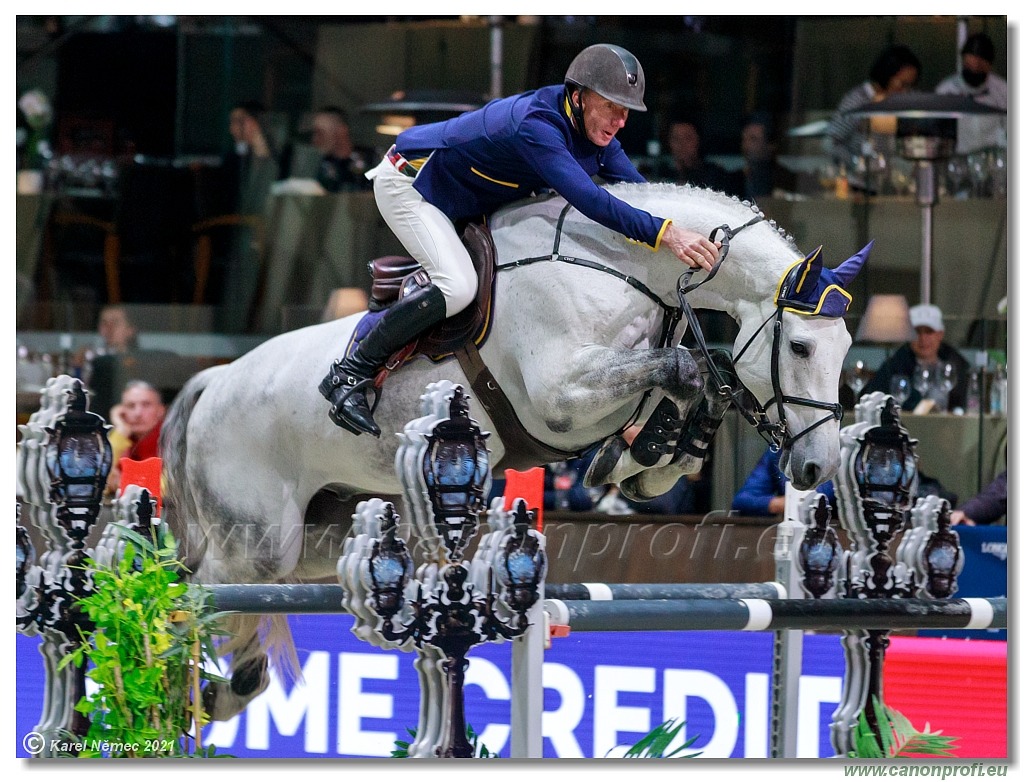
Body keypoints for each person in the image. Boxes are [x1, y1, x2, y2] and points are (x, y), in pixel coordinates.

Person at [319, 43, 722, 437]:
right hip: (413, 183)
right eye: (611, 107)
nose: (619, 121)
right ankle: (350, 371)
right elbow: (590, 200)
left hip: (469, 194)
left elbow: (641, 194)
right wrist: (667, 233)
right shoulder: (536, 125)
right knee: (458, 286)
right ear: (578, 98)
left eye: (626, 112)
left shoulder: (596, 137)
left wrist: (689, 228)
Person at [826, 44, 922, 191]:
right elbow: (831, 142)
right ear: (886, 74)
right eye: (901, 84)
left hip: (896, 184)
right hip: (861, 186)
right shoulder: (858, 101)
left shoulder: (905, 100)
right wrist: (858, 163)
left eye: (910, 86)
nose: (904, 91)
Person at [859, 303, 970, 412]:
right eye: (917, 332)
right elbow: (872, 403)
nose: (923, 338)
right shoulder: (894, 367)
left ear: (940, 334)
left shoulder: (957, 366)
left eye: (929, 331)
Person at [935, 32, 1008, 154]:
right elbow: (937, 134)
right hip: (956, 159)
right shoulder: (945, 91)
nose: (976, 65)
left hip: (992, 160)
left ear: (989, 65)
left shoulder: (1002, 90)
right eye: (971, 62)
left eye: (981, 62)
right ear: (963, 59)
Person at [731, 446, 836, 517]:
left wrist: (793, 503)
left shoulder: (840, 447)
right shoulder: (778, 450)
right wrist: (780, 504)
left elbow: (825, 498)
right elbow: (742, 500)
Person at [104, 380, 166, 496]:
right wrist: (121, 428)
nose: (138, 413)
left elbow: (167, 487)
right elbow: (97, 480)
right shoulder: (121, 437)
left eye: (146, 405)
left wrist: (122, 484)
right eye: (131, 406)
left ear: (160, 411)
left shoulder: (172, 441)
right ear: (122, 411)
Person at [647, 117, 732, 191]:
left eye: (688, 138)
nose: (681, 144)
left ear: (698, 141)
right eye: (676, 139)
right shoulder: (660, 174)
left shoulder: (714, 176)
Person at [728, 114, 797, 200]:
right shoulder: (733, 180)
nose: (746, 145)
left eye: (753, 139)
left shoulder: (787, 181)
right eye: (744, 139)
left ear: (771, 145)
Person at [310, 106, 372, 192]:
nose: (314, 140)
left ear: (341, 131)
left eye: (320, 133)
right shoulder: (319, 166)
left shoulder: (370, 159)